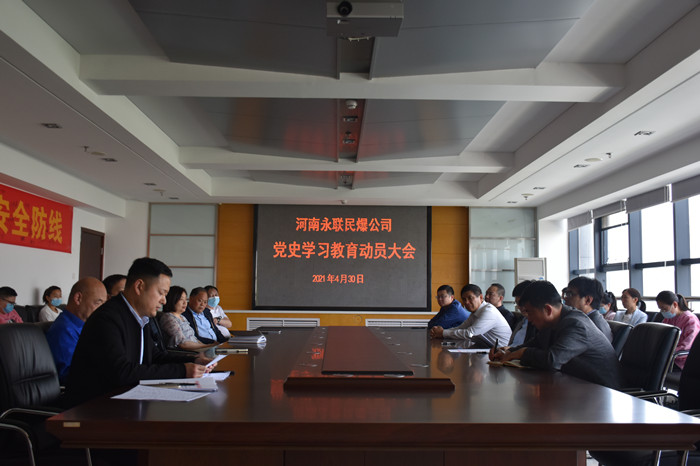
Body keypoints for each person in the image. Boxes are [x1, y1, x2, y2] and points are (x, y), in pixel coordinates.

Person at [65, 257, 212, 407]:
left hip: (126, 401)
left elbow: (154, 357)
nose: (164, 301)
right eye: (161, 293)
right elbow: (121, 372)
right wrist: (181, 371)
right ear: (139, 286)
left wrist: (193, 361)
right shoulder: (107, 318)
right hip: (94, 407)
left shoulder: (141, 317)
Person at [490, 280, 622, 389]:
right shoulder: (554, 321)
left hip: (600, 393)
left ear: (548, 309)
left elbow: (552, 360)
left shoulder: (576, 324)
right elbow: (535, 343)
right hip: (574, 386)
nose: (528, 319)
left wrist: (522, 353)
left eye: (530, 313)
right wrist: (509, 352)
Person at [45, 278, 107, 383]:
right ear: (78, 298)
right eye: (98, 303)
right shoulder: (64, 330)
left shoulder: (87, 326)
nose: (102, 310)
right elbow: (71, 374)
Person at [430, 284, 512, 348]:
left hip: (500, 353)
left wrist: (443, 333)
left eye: (470, 298)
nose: (467, 302)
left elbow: (470, 333)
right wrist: (442, 332)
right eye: (464, 299)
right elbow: (461, 327)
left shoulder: (489, 311)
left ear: (480, 297)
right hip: (486, 348)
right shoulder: (475, 312)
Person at [160, 286, 219, 351]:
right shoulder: (169, 318)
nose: (185, 303)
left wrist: (207, 347)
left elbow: (194, 339)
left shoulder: (182, 317)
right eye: (181, 299)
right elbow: (183, 344)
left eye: (185, 299)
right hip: (186, 353)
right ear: (172, 299)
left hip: (197, 350)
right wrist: (208, 346)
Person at [657, 291, 700, 371]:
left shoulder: (690, 320)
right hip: (667, 356)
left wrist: (667, 352)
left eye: (664, 309)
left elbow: (688, 345)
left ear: (675, 304)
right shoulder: (668, 319)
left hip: (681, 360)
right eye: (661, 309)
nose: (663, 312)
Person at [563, 277, 613, 343]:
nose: (565, 299)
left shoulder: (591, 326)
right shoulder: (586, 319)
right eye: (566, 294)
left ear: (588, 300)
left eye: (570, 294)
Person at [508, 280, 537, 346]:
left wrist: (511, 350)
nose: (519, 307)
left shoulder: (539, 323)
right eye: (517, 303)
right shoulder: (521, 320)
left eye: (521, 303)